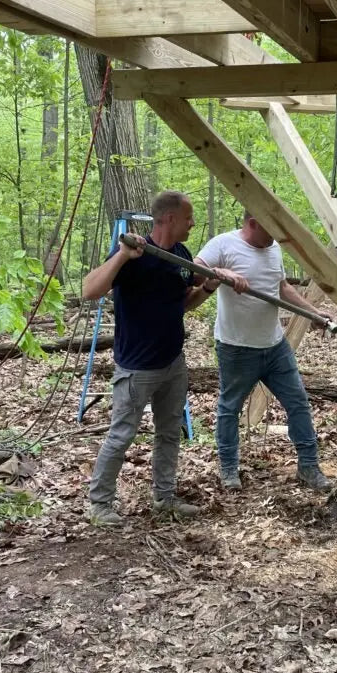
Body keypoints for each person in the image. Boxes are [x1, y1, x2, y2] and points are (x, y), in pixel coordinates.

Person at [82, 191, 247, 527]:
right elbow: (89, 290)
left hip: (172, 362)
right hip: (136, 367)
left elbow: (182, 303)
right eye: (188, 218)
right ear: (170, 218)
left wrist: (209, 288)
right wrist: (122, 256)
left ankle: (165, 497)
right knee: (121, 435)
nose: (193, 223)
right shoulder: (134, 252)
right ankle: (99, 504)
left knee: (170, 432)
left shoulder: (182, 255)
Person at [196, 211, 333, 492]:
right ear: (252, 222)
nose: (273, 235)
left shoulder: (273, 249)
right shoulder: (223, 244)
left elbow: (282, 287)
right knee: (229, 409)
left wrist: (313, 312)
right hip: (237, 348)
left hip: (274, 347)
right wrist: (219, 273)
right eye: (268, 227)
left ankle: (308, 467)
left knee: (298, 403)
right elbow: (195, 268)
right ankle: (229, 470)